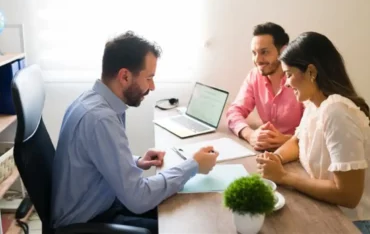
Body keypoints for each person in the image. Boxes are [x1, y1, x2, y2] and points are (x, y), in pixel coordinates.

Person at [51, 31, 219, 233]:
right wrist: (193, 166)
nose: (152, 86)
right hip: (87, 220)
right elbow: (138, 199)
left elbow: (94, 157)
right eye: (149, 78)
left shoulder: (92, 100)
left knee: (179, 208)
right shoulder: (101, 118)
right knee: (180, 225)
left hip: (99, 201)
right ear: (124, 76)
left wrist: (135, 161)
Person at [256, 32, 370, 233]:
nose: (287, 83)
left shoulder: (337, 112)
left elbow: (348, 196)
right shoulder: (314, 103)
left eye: (289, 74)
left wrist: (284, 177)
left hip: (353, 222)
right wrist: (275, 158)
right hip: (326, 208)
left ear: (311, 72)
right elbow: (298, 141)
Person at [226, 22, 304, 151]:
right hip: (266, 151)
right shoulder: (254, 76)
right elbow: (234, 111)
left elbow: (316, 131)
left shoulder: (301, 79)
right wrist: (250, 135)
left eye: (264, 52)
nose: (257, 60)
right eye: (254, 53)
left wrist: (286, 139)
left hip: (299, 153)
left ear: (284, 51)